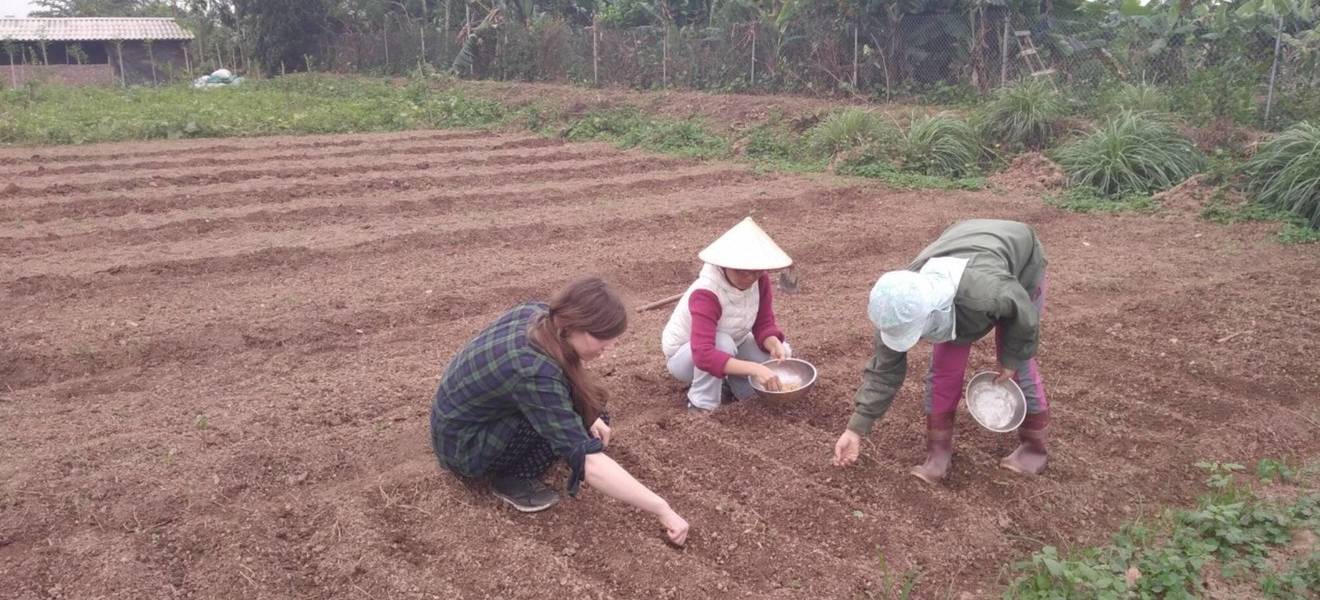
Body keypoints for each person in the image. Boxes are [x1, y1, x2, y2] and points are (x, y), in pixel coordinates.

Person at [430, 277, 689, 545]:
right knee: (573, 425)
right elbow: (590, 464)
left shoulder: (538, 315)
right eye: (602, 338)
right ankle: (512, 480)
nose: (609, 348)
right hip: (463, 447)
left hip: (460, 420)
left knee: (592, 414)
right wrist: (662, 509)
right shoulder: (532, 371)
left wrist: (588, 415)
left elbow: (565, 378)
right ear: (574, 327)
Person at [832, 219, 1051, 483]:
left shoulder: (986, 293)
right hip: (963, 245)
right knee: (944, 368)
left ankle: (1034, 447)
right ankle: (938, 453)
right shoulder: (896, 305)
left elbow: (1023, 313)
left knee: (1020, 365)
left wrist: (1012, 357)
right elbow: (884, 370)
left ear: (932, 312)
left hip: (1018, 258)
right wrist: (856, 429)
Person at [661, 217, 794, 411]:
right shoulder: (706, 293)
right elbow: (704, 354)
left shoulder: (760, 281)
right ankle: (701, 403)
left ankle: (741, 392)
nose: (749, 277)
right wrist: (754, 369)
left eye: (756, 271)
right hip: (686, 356)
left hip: (733, 341)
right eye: (742, 272)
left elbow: (763, 323)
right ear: (725, 265)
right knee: (722, 343)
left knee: (774, 355)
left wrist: (773, 342)